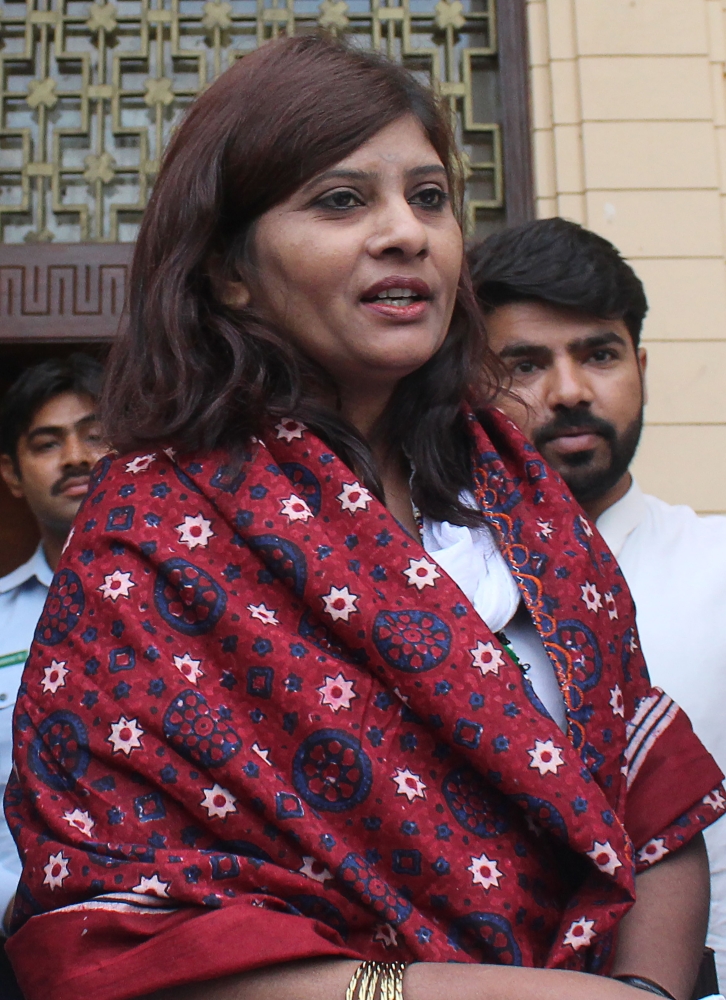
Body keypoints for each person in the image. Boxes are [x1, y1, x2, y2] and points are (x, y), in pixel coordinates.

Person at [4, 37, 724, 1000]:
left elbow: (653, 799)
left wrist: (643, 994)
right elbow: (119, 927)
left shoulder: (524, 502)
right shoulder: (153, 535)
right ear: (228, 271)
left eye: (429, 198)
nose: (406, 233)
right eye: (342, 201)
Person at [468, 216, 726, 987]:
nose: (571, 390)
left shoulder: (718, 568)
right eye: (525, 363)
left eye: (600, 355)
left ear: (641, 365)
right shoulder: (426, 586)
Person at [0, 354, 106, 988]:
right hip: (22, 942)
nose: (76, 456)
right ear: (12, 474)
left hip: (179, 927)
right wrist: (10, 900)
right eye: (48, 443)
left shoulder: (198, 604)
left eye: (96, 435)